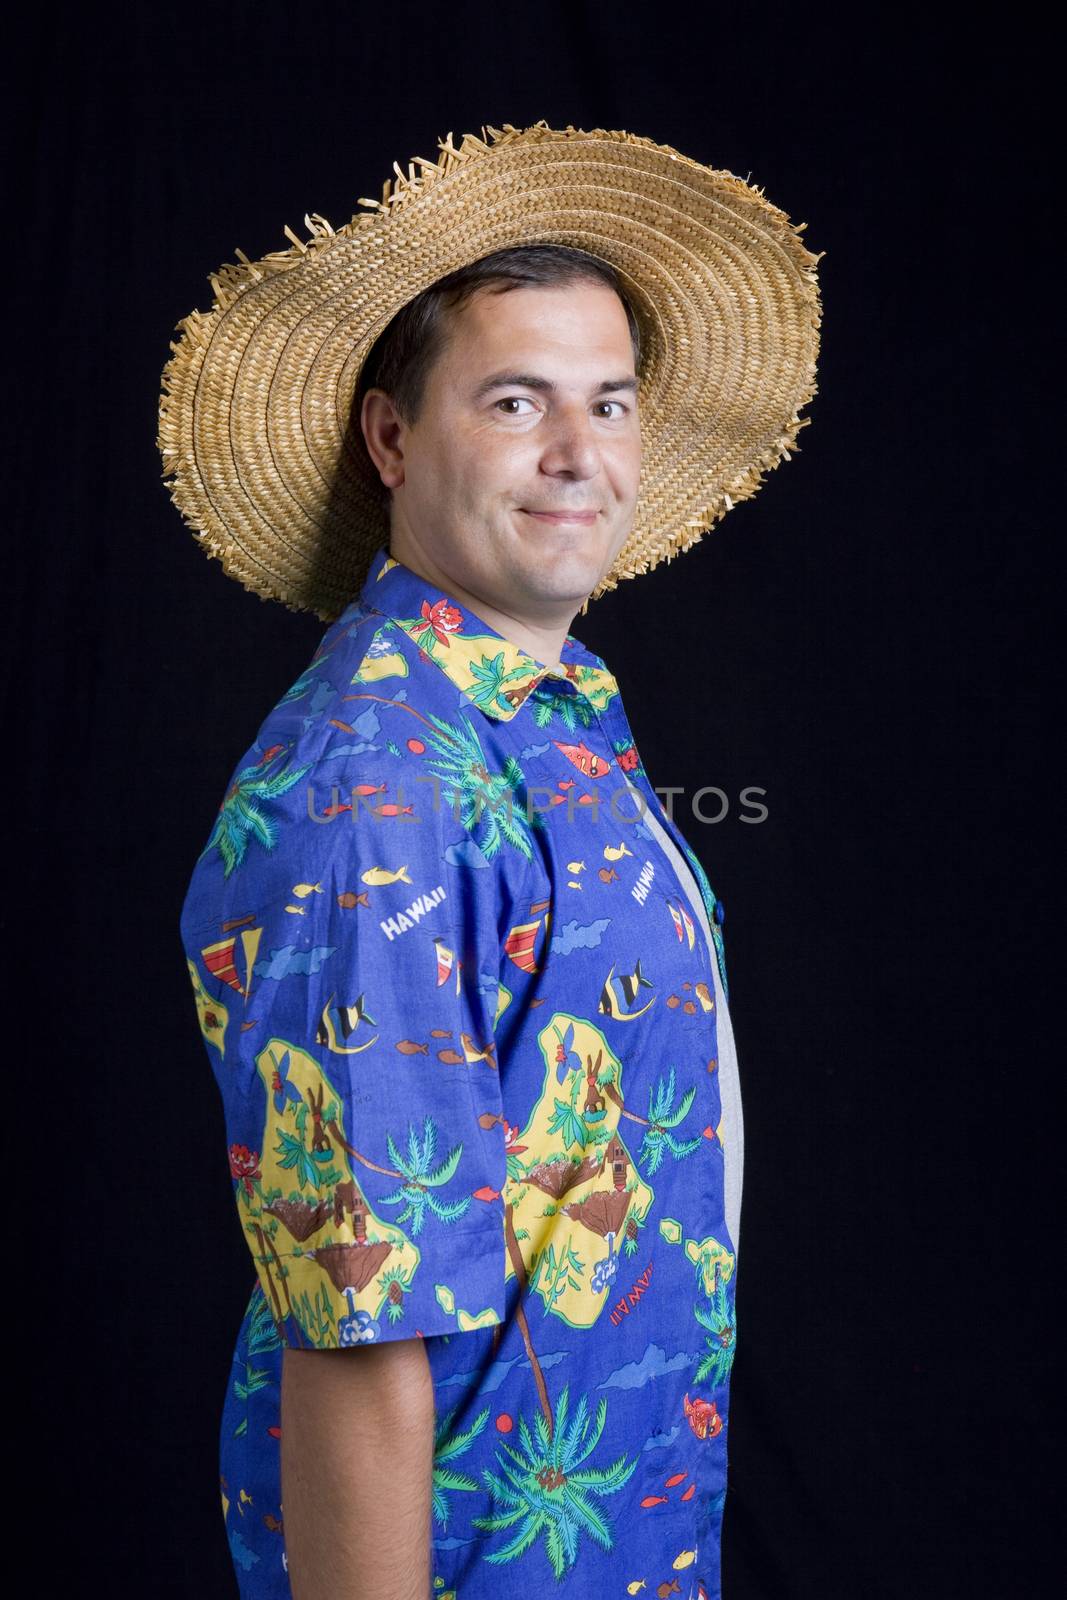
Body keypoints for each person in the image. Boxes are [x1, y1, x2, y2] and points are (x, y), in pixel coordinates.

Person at [161, 121, 822, 1600]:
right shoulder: (371, 791)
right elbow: (361, 1321)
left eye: (610, 401)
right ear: (392, 440)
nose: (580, 454)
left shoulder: (549, 710)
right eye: (516, 401)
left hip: (623, 1523)